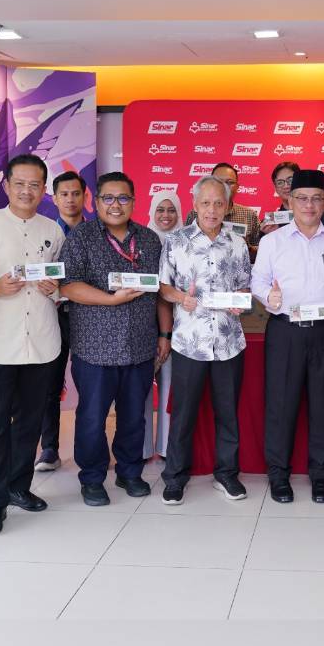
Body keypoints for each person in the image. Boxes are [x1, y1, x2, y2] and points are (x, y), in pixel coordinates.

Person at [0, 153, 66, 535]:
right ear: (5, 185)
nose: (27, 191)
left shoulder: (53, 228)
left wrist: (57, 290)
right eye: (20, 183)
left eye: (35, 184)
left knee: (30, 422)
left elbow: (60, 282)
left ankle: (20, 487)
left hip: (42, 342)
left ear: (43, 189)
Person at [59, 172, 172, 506]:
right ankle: (92, 478)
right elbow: (68, 285)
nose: (115, 205)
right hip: (95, 348)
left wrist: (164, 334)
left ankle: (129, 471)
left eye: (123, 198)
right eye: (108, 198)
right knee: (92, 418)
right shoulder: (82, 237)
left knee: (135, 415)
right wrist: (111, 299)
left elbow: (160, 293)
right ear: (96, 202)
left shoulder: (150, 240)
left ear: (134, 202)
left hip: (140, 345)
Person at [252, 169, 324, 504]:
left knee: (323, 404)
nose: (309, 205)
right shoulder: (272, 242)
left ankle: (320, 475)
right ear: (290, 201)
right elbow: (258, 282)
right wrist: (270, 298)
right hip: (285, 331)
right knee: (281, 405)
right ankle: (278, 475)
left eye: (316, 198)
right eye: (301, 198)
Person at [159, 176, 252, 506]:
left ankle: (226, 474)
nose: (212, 210)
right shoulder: (176, 241)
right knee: (183, 413)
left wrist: (239, 301)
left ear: (227, 206)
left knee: (228, 412)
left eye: (218, 203)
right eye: (206, 203)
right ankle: (175, 477)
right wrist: (179, 296)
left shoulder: (237, 243)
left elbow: (244, 286)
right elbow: (163, 287)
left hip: (228, 341)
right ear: (195, 204)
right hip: (190, 341)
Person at [35, 170, 87, 472]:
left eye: (75, 193)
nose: (70, 199)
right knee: (49, 386)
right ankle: (50, 448)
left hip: (86, 317)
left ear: (85, 196)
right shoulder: (42, 233)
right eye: (64, 194)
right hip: (50, 316)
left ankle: (87, 449)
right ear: (53, 198)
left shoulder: (96, 234)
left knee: (90, 386)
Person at [144, 191, 184, 461]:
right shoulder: (141, 241)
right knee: (142, 392)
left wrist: (166, 334)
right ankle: (143, 449)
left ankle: (168, 448)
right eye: (160, 209)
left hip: (179, 327)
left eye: (171, 210)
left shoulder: (186, 242)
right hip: (144, 325)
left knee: (170, 389)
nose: (166, 215)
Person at [185, 163, 261, 260]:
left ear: (237, 187)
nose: (224, 187)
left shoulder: (250, 215)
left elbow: (260, 253)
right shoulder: (195, 214)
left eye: (229, 182)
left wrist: (245, 247)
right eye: (219, 182)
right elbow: (185, 248)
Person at [261, 161, 324, 235]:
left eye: (290, 180)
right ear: (275, 188)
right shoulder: (270, 221)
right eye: (280, 182)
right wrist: (273, 234)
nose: (286, 186)